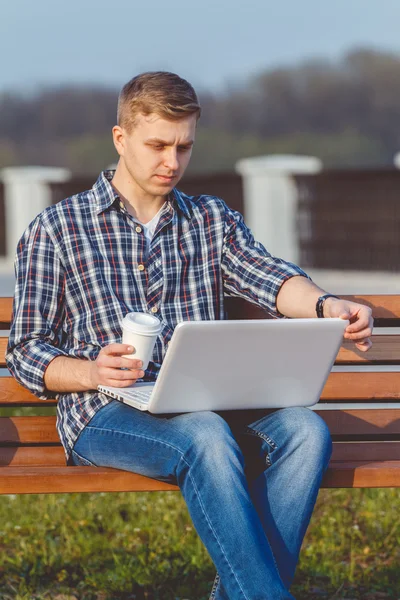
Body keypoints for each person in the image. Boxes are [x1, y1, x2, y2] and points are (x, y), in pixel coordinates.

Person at [6, 71, 373, 600]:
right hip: (105, 411)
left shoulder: (210, 220)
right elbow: (25, 350)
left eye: (184, 147)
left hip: (208, 402)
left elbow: (269, 278)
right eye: (157, 145)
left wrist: (324, 304)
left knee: (305, 432)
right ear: (120, 138)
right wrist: (90, 370)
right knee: (203, 434)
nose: (171, 163)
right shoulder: (57, 228)